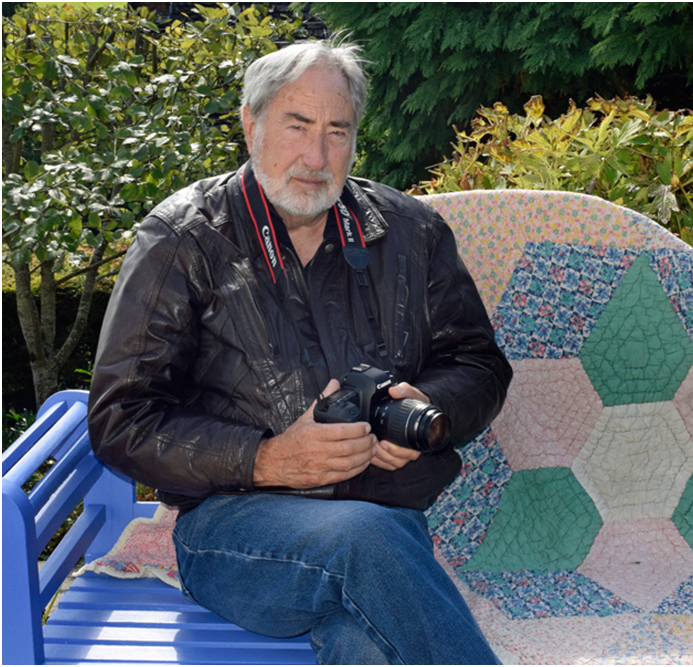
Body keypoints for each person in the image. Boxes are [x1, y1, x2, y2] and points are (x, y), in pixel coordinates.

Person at [87, 37, 511, 665]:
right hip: (232, 527)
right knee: (367, 543)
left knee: (364, 641)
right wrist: (268, 460)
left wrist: (427, 409)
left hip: (387, 521)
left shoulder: (411, 231)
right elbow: (120, 419)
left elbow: (478, 363)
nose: (317, 156)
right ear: (250, 123)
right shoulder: (184, 239)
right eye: (298, 125)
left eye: (337, 131)